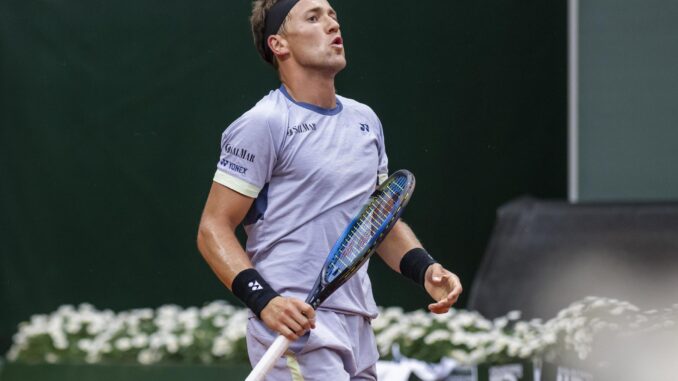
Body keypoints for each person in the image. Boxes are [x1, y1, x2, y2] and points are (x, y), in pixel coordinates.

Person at [196, 0, 463, 379]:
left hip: (358, 325)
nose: (332, 24)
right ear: (279, 44)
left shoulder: (365, 120)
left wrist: (426, 269)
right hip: (296, 330)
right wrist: (265, 301)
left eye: (333, 15)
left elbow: (375, 221)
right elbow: (212, 228)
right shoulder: (264, 123)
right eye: (313, 17)